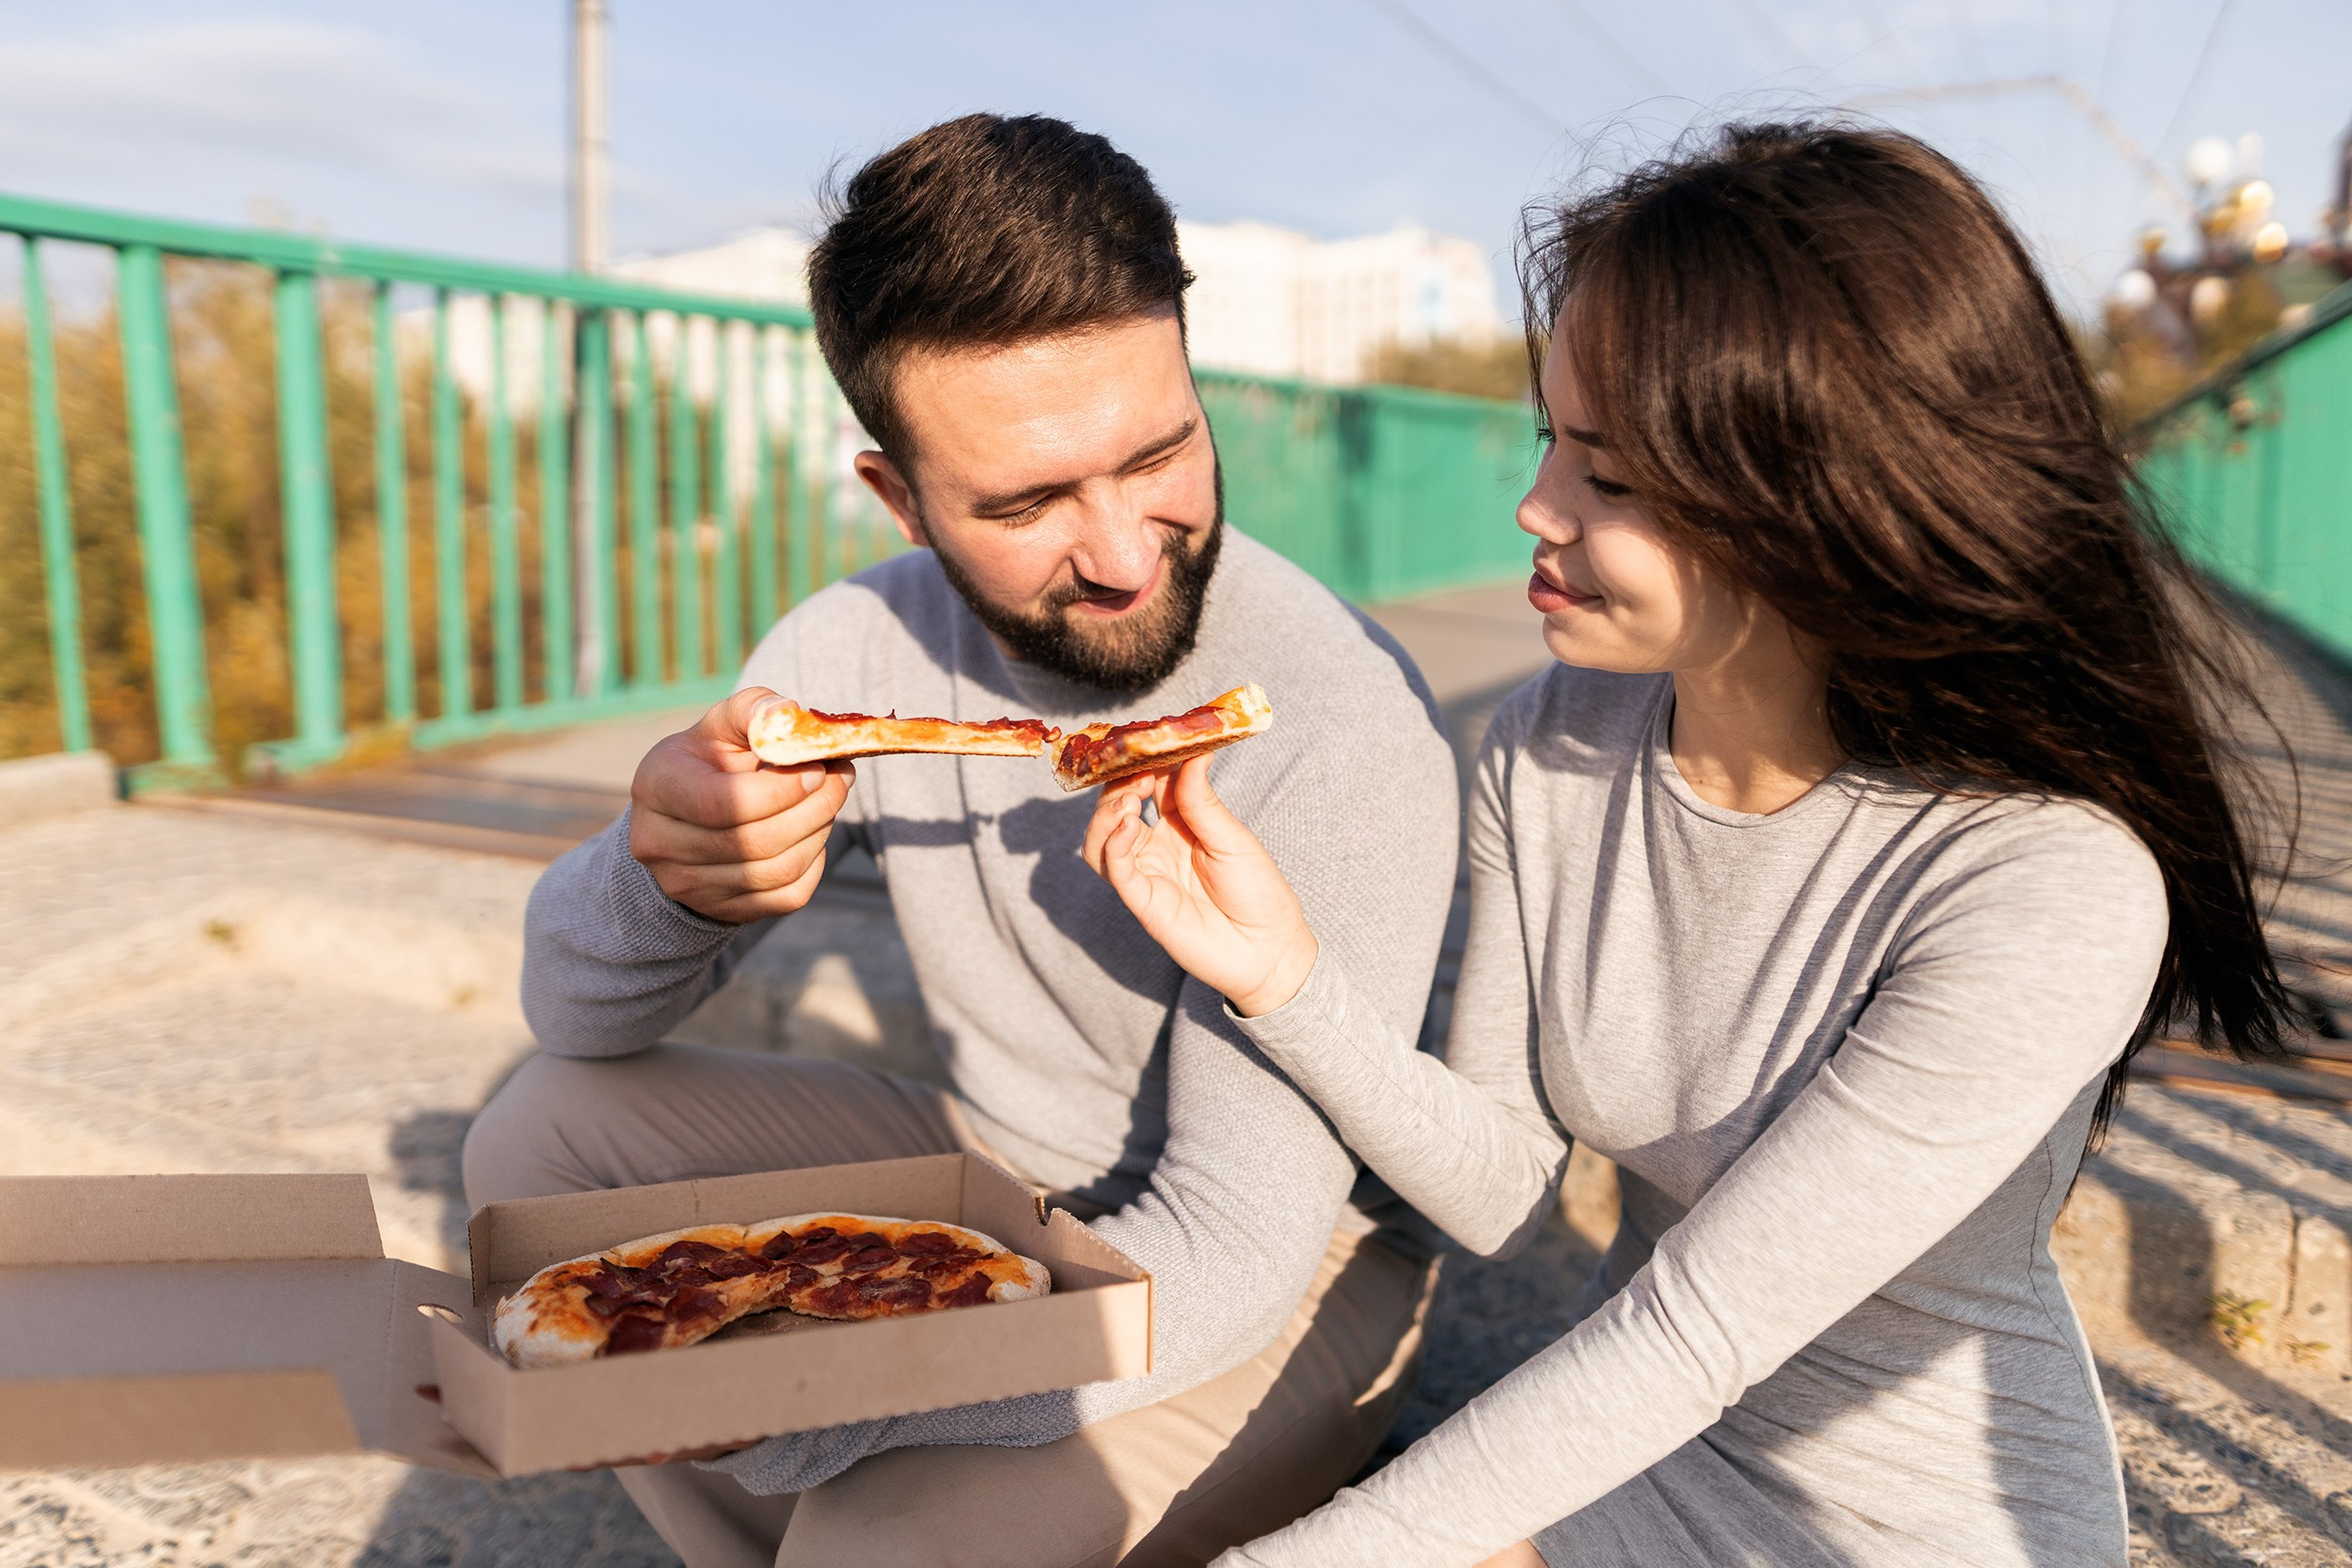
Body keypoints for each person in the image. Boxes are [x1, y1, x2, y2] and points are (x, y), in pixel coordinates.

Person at [1083, 120, 2293, 1568]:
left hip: (1915, 1532)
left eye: (1613, 477)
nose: (1535, 509)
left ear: (1822, 499)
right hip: (1633, 1470)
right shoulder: (1552, 740)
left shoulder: (2046, 881)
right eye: (1551, 439)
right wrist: (1283, 979)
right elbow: (1496, 1196)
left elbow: (1693, 1329)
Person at [460, 113, 1459, 1568]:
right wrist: (658, 879)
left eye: (1160, 451)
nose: (1123, 552)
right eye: (1027, 502)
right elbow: (575, 1015)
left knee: (879, 1533)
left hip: (1302, 1270)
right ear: (901, 501)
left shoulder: (1340, 720)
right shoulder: (851, 647)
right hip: (997, 1177)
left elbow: (1243, 1245)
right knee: (534, 1136)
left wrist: (809, 1411)